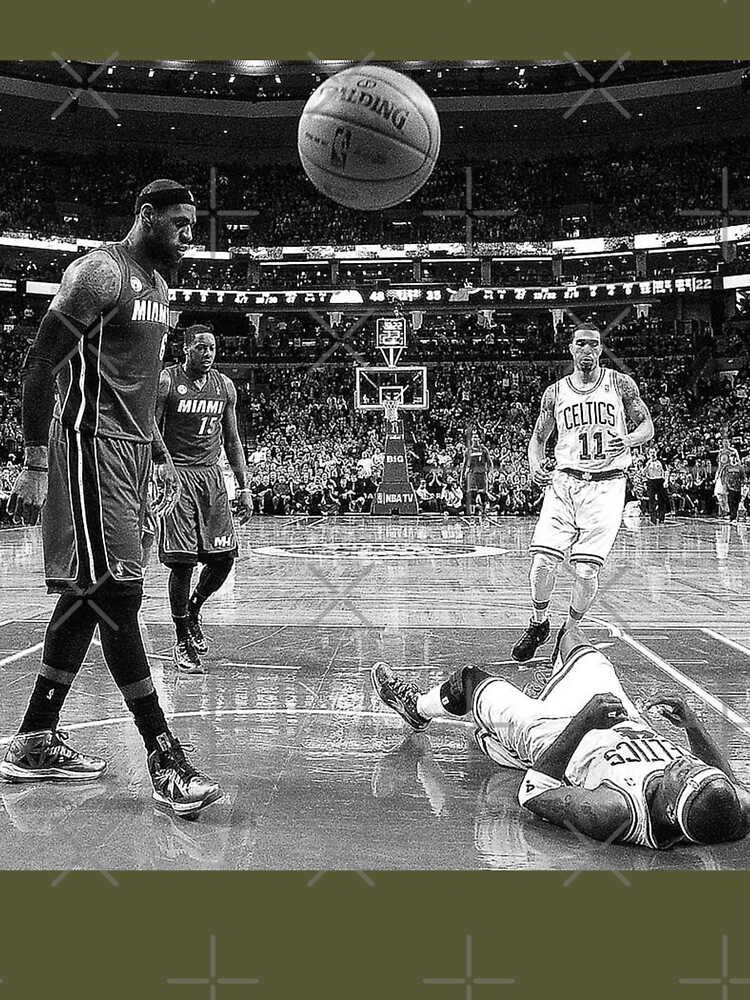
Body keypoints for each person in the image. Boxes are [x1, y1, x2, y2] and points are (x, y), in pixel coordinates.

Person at [3, 179, 222, 818]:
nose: (188, 235)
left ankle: (35, 740)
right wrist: (37, 460)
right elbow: (41, 363)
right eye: (178, 223)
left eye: (192, 225)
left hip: (127, 454)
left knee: (87, 596)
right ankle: (164, 756)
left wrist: (154, 454)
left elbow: (138, 384)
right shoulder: (100, 274)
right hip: (84, 447)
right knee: (120, 593)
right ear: (144, 215)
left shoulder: (159, 289)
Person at [371, 625, 750, 849]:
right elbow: (727, 784)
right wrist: (693, 725)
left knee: (470, 680)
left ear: (669, 809)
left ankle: (416, 708)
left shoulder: (612, 811)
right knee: (573, 639)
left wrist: (584, 721)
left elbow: (534, 792)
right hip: (619, 719)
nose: (685, 762)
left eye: (685, 774)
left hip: (559, 734)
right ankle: (526, 716)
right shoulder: (728, 811)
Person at [511, 325, 654, 664]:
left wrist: (630, 439)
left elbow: (647, 426)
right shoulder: (555, 392)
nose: (587, 349)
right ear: (571, 349)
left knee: (586, 571)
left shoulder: (620, 384)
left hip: (608, 484)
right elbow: (538, 439)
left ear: (600, 349)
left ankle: (569, 628)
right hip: (564, 482)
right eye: (581, 343)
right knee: (542, 562)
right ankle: (538, 622)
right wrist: (534, 464)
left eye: (594, 344)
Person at [155, 324, 253, 673]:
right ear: (186, 349)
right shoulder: (166, 382)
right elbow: (151, 427)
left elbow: (233, 439)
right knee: (182, 562)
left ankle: (194, 608)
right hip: (178, 476)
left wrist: (243, 486)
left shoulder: (224, 387)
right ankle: (181, 640)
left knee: (224, 558)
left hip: (211, 477)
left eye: (212, 347)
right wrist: (160, 465)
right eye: (201, 347)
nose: (208, 353)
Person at [461, 426, 493, 515]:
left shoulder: (484, 449)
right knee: (472, 493)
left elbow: (490, 463)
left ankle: (485, 511)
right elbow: (464, 465)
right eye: (473, 437)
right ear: (471, 439)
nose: (475, 438)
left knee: (483, 493)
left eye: (476, 437)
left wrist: (490, 474)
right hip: (472, 474)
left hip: (482, 474)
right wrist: (461, 476)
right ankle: (472, 513)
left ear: (479, 439)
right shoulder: (468, 451)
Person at [644, 446, 669, 524]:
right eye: (651, 452)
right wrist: (648, 464)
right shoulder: (647, 461)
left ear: (656, 452)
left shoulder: (660, 461)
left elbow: (666, 472)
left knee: (662, 499)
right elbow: (643, 472)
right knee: (651, 500)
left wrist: (666, 481)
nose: (652, 454)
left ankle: (661, 517)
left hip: (660, 480)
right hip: (651, 481)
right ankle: (653, 518)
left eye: (654, 452)